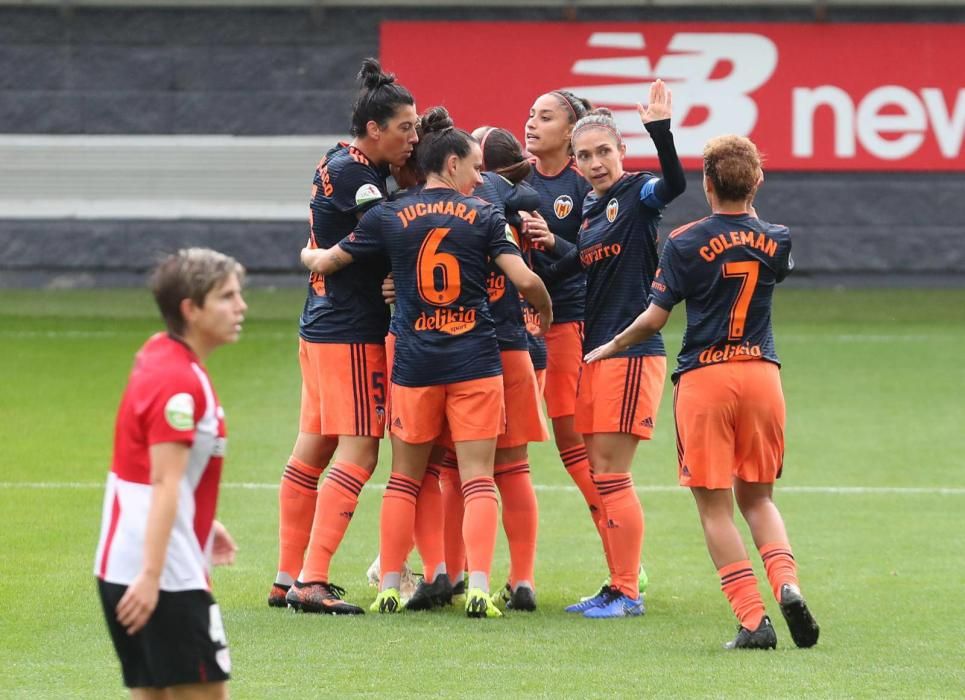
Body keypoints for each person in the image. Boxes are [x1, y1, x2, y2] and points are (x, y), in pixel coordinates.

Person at [301, 107, 553, 618]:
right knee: (482, 476)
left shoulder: (388, 215)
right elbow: (525, 280)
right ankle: (480, 587)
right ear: (453, 162)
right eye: (475, 167)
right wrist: (543, 315)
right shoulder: (483, 215)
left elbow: (328, 261)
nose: (480, 178)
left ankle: (390, 585)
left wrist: (307, 253)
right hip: (476, 360)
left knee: (404, 479)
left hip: (414, 363)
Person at [584, 134, 820, 648]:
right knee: (758, 498)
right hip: (762, 374)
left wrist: (613, 344)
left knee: (715, 509)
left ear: (707, 184)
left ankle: (753, 621)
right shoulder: (777, 238)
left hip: (706, 379)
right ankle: (787, 584)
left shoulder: (685, 241)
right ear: (757, 181)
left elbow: (654, 317)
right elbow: (767, 259)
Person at [527, 80, 686, 617]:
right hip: (597, 353)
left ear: (621, 153)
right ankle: (617, 584)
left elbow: (676, 183)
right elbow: (564, 268)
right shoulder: (592, 214)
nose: (596, 163)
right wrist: (534, 243)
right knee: (601, 473)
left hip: (632, 354)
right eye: (586, 155)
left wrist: (660, 132)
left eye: (605, 152)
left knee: (612, 475)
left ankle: (627, 592)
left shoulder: (638, 194)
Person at [275, 58, 419, 615]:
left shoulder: (343, 160)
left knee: (312, 450)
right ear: (375, 130)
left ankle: (287, 576)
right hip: (351, 330)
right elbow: (391, 233)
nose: (412, 138)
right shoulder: (358, 176)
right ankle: (312, 579)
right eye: (405, 128)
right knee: (360, 450)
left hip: (321, 323)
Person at [94, 248, 245, 699]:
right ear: (190, 309)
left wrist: (199, 517)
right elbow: (165, 480)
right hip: (162, 573)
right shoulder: (179, 383)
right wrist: (153, 575)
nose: (241, 307)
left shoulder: (159, 354)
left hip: (129, 560)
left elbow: (148, 465)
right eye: (227, 296)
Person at [523, 90, 627, 592]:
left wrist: (553, 242)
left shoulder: (581, 185)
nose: (532, 123)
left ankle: (623, 562)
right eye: (530, 115)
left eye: (545, 117)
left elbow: (598, 252)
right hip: (522, 328)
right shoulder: (515, 180)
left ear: (571, 132)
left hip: (569, 324)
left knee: (575, 444)